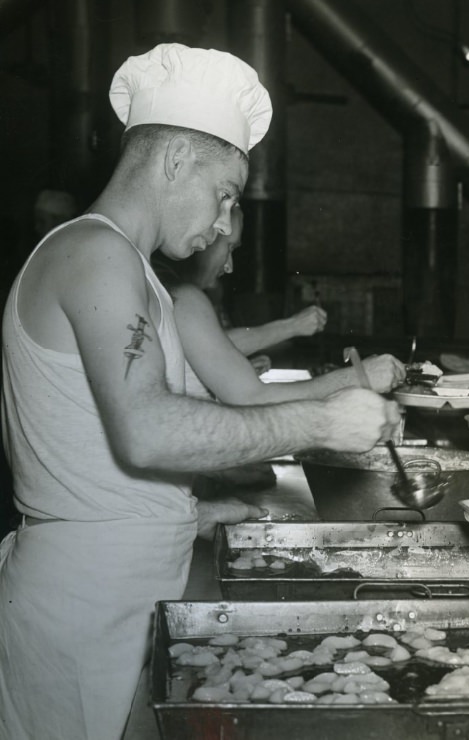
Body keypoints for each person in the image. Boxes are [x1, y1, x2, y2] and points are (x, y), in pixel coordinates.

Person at [0, 43, 399, 740]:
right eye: (226, 195)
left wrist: (202, 509)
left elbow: (101, 450)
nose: (223, 223)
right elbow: (148, 428)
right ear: (175, 159)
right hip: (85, 604)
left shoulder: (136, 273)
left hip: (123, 585)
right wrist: (322, 423)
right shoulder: (94, 253)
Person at [157, 205, 405, 404]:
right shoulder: (185, 298)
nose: (230, 266)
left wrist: (233, 369)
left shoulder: (171, 290)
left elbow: (214, 345)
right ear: (206, 235)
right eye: (229, 248)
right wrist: (358, 377)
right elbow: (253, 397)